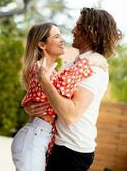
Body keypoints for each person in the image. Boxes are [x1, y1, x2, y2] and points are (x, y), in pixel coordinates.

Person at [25, 8, 122, 171]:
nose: (73, 31)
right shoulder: (74, 63)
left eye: (78, 26)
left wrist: (45, 83)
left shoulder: (96, 69)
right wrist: (31, 107)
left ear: (91, 31)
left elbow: (70, 114)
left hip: (72, 150)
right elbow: (53, 98)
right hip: (55, 143)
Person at [11, 22, 105, 171]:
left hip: (41, 136)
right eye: (56, 36)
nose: (62, 39)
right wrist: (90, 62)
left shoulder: (51, 71)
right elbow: (63, 87)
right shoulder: (39, 68)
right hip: (35, 137)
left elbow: (53, 94)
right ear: (42, 44)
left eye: (61, 35)